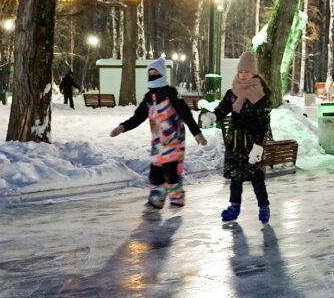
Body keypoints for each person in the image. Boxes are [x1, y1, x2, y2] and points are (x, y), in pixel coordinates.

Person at [110, 58, 207, 208]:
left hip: (174, 140)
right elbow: (138, 117)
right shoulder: (149, 98)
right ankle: (156, 199)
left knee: (170, 170)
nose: (153, 76)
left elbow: (185, 114)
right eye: (150, 73)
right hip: (158, 141)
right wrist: (123, 127)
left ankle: (177, 198)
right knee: (155, 171)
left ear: (162, 74)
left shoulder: (171, 94)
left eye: (155, 73)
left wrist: (197, 133)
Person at [201, 51, 271, 224]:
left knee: (256, 177)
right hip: (235, 142)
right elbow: (223, 108)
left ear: (254, 71)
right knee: (235, 176)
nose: (243, 74)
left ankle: (264, 206)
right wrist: (212, 116)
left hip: (252, 141)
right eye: (240, 71)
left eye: (246, 71)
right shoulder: (232, 91)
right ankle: (234, 206)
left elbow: (263, 122)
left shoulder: (261, 93)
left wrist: (259, 146)